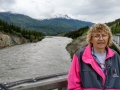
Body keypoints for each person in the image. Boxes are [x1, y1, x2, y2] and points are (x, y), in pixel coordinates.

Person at [67, 23, 120, 90]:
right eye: (97, 36)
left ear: (108, 38)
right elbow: (73, 86)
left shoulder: (115, 56)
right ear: (91, 39)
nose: (101, 39)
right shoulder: (79, 56)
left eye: (104, 35)